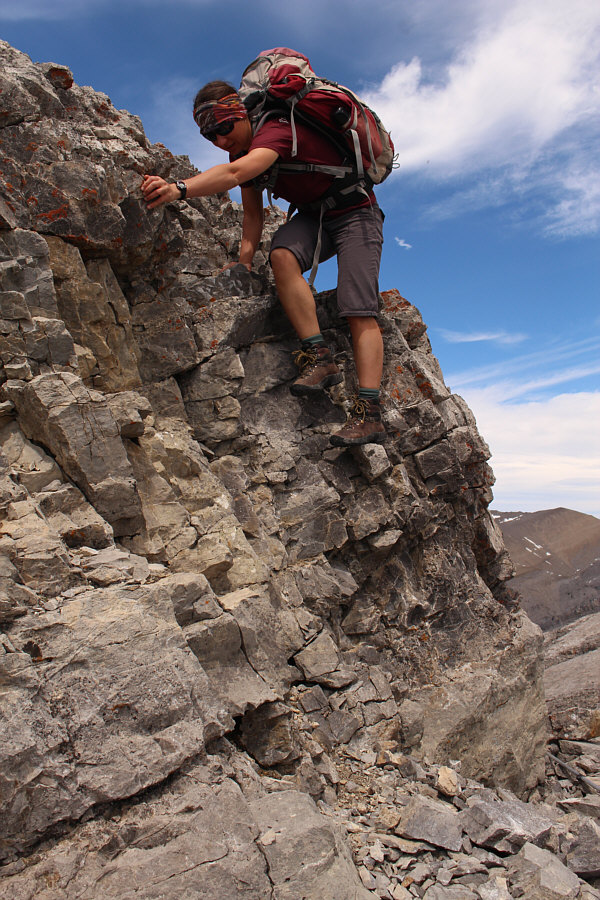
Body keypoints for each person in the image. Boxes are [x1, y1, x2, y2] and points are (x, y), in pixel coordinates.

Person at [142, 77, 386, 446]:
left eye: (225, 128)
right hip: (314, 216)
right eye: (212, 137)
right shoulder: (238, 152)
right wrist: (243, 263)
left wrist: (179, 189)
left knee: (358, 308)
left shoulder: (276, 128)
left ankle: (370, 416)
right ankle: (320, 356)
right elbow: (252, 216)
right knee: (282, 256)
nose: (222, 141)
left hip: (356, 212)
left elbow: (237, 174)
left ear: (240, 114)